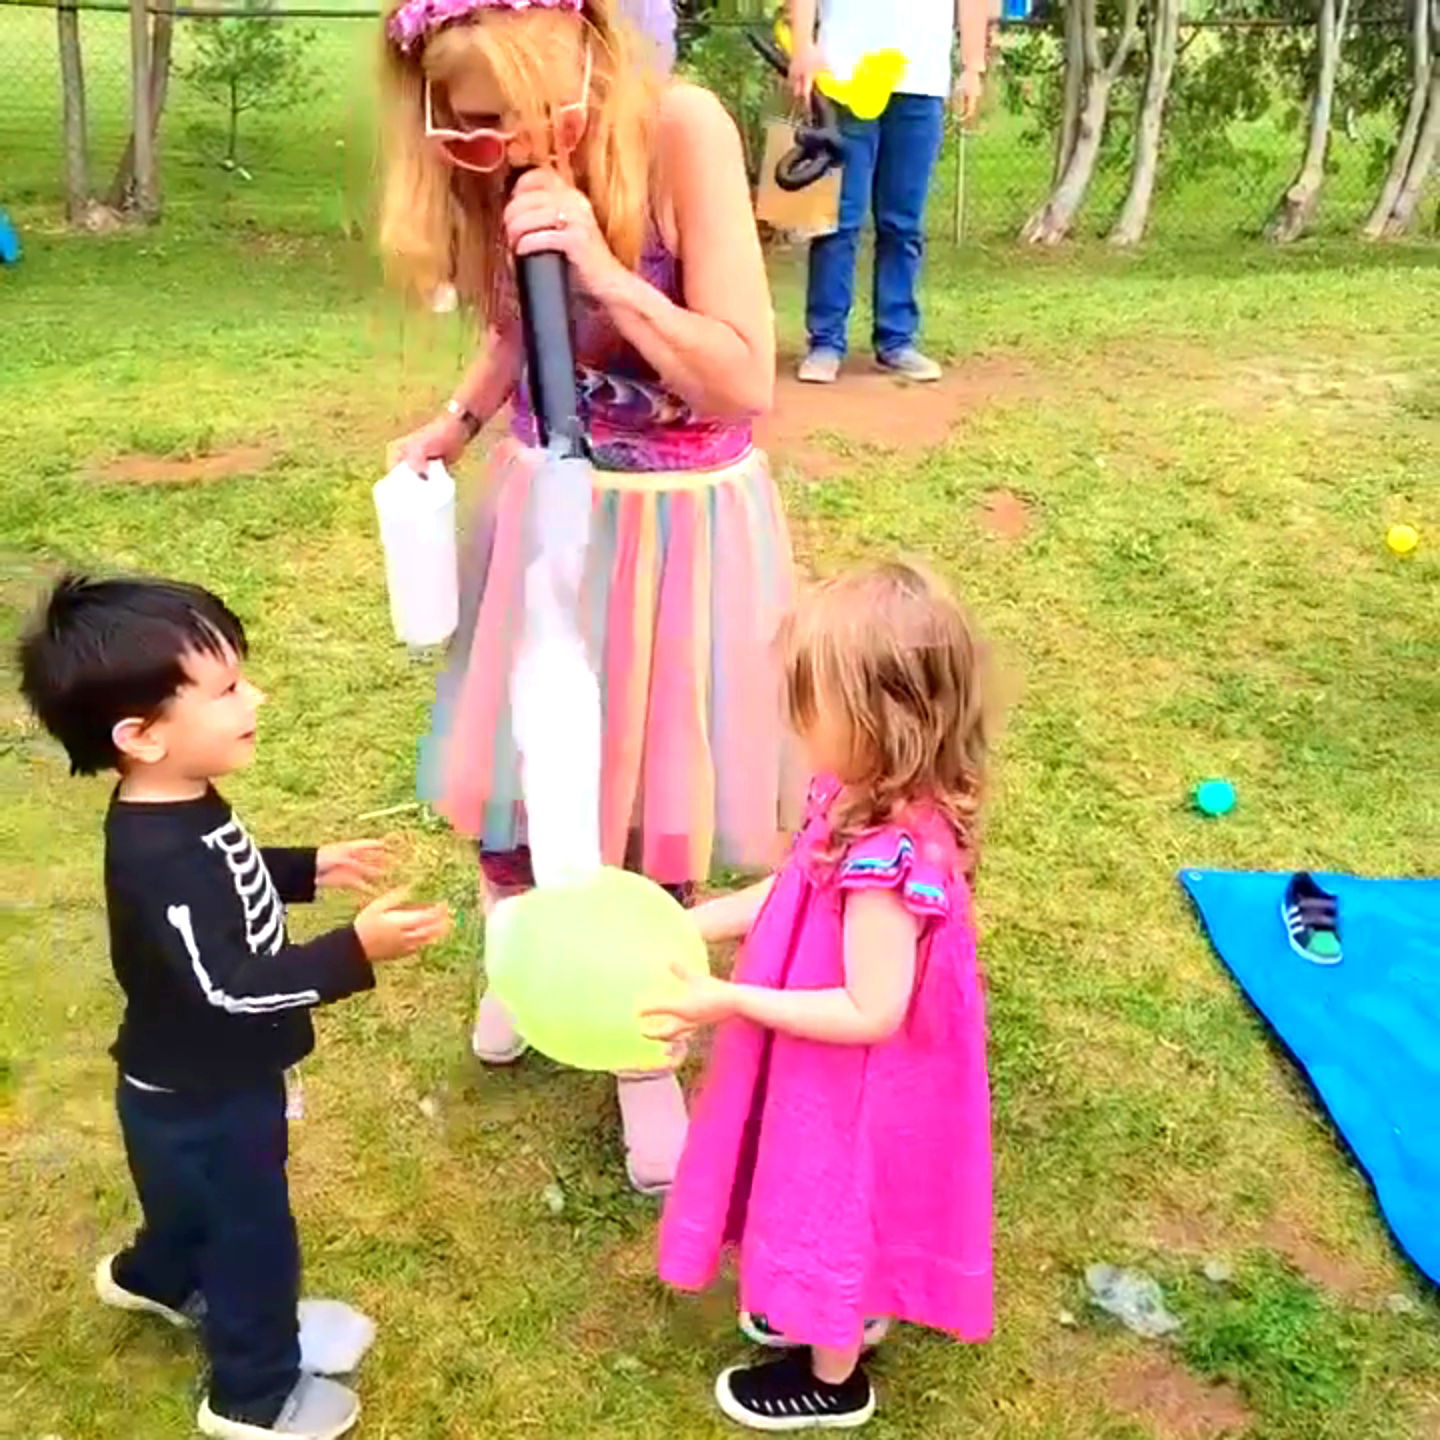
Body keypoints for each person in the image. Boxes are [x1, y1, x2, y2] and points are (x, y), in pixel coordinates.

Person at [379, 0, 795, 1195]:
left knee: (645, 787)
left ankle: (638, 1050)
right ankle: (519, 956)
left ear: (595, 63)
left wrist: (607, 270)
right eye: (471, 128)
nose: (508, 147)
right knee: (520, 762)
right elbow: (519, 328)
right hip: (544, 503)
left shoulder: (684, 128)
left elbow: (739, 376)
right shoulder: (488, 164)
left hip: (677, 521)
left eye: (531, 113)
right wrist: (455, 422)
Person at [17, 576, 451, 1440]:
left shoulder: (173, 804)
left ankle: (160, 1279)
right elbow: (226, 989)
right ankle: (255, 1393)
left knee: (190, 1203)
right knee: (250, 1233)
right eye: (224, 691)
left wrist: (307, 868)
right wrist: (350, 951)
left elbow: (232, 868)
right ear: (140, 736)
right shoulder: (159, 857)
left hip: (179, 1087)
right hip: (208, 1092)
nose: (255, 697)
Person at [648, 563, 994, 1431]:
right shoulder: (859, 800)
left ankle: (833, 1373)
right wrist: (694, 923)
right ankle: (833, 1304)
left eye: (813, 709)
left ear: (885, 723)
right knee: (823, 1190)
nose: (797, 726)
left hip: (855, 1073)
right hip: (825, 1043)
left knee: (834, 1192)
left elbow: (871, 1010)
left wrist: (735, 999)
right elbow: (795, 890)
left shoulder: (889, 859)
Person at [788, 0, 990, 384]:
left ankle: (896, 340)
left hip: (920, 80)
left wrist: (972, 66)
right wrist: (802, 45)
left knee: (903, 222)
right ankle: (826, 342)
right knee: (838, 218)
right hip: (843, 78)